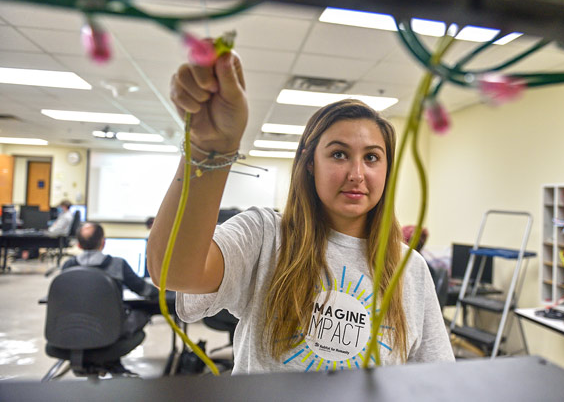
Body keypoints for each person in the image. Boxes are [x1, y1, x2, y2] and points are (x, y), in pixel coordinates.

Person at [147, 52, 454, 374]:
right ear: (310, 164)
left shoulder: (410, 267)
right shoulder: (265, 235)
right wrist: (207, 150)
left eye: (372, 158)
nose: (357, 173)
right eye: (339, 154)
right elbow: (172, 270)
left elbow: (438, 378)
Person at [62, 222, 159, 338]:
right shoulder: (118, 264)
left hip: (73, 332)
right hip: (110, 334)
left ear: (79, 245)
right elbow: (144, 290)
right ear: (103, 242)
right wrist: (162, 289)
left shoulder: (68, 266)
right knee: (142, 313)